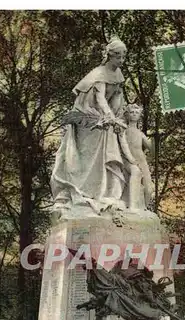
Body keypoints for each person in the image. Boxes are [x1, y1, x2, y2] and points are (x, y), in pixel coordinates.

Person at [51, 37, 140, 214]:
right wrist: (110, 118)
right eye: (118, 57)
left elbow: (116, 97)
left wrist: (116, 116)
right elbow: (99, 99)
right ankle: (86, 191)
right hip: (87, 115)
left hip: (103, 116)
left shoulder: (118, 74)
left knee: (110, 135)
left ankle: (107, 192)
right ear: (110, 56)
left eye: (123, 57)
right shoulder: (99, 74)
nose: (121, 61)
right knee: (96, 144)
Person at [123, 104, 155, 207]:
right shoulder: (123, 131)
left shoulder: (140, 134)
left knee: (149, 189)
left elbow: (152, 150)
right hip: (128, 161)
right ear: (127, 115)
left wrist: (154, 141)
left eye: (137, 113)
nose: (134, 114)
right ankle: (134, 207)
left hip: (142, 161)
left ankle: (144, 209)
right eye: (132, 112)